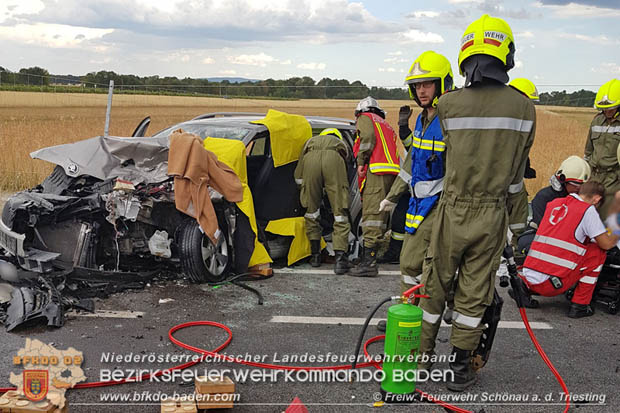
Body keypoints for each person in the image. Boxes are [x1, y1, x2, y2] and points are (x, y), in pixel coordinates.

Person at [417, 14, 535, 392]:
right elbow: (517, 180)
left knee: (435, 285)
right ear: (506, 54)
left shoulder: (448, 105)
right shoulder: (524, 109)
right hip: (492, 215)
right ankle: (460, 366)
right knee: (473, 293)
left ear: (466, 56)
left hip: (452, 211)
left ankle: (418, 360)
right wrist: (521, 231)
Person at [378, 51, 453, 293]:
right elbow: (410, 164)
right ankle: (412, 315)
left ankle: (414, 319)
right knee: (413, 265)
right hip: (418, 205)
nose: (421, 90)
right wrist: (392, 196)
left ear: (442, 84)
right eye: (417, 85)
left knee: (414, 264)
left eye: (427, 84)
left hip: (440, 206)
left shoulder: (449, 121)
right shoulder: (422, 120)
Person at [521, 181, 620, 318]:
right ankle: (580, 305)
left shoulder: (555, 203)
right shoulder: (587, 210)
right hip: (551, 284)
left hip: (528, 277)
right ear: (597, 199)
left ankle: (525, 289)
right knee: (597, 253)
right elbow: (606, 244)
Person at [349, 97, 400, 277]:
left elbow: (367, 138)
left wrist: (362, 160)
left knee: (371, 216)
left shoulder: (366, 117)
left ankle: (368, 263)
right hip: (390, 172)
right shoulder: (385, 124)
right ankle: (367, 258)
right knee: (379, 217)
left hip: (377, 170)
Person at [295, 128, 351, 274]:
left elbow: (299, 175)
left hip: (310, 161)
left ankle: (315, 256)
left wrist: (305, 191)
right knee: (340, 214)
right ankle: (340, 261)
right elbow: (347, 167)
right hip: (333, 160)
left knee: (311, 213)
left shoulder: (310, 142)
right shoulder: (339, 143)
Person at [517, 156, 591, 256]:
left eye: (583, 185)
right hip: (548, 237)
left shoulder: (587, 199)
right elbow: (543, 227)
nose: (580, 189)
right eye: (576, 185)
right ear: (563, 181)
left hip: (575, 239)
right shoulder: (545, 197)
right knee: (525, 242)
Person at [584, 78, 620, 219]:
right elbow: (588, 151)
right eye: (604, 108)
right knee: (587, 216)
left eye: (610, 108)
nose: (607, 111)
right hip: (593, 178)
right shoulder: (597, 120)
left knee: (608, 220)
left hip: (614, 180)